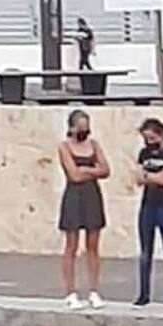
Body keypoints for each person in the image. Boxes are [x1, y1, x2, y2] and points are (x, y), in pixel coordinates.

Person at [57, 109, 109, 309]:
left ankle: (94, 291)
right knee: (71, 245)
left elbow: (106, 170)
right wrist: (93, 171)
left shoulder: (94, 145)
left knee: (93, 245)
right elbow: (74, 175)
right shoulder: (64, 147)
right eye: (80, 127)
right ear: (71, 127)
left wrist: (86, 169)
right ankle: (70, 292)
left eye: (86, 127)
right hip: (74, 196)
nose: (84, 131)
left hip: (92, 196)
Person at [134, 118, 163, 306]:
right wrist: (154, 177)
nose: (149, 142)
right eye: (146, 139)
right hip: (148, 205)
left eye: (152, 138)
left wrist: (149, 176)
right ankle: (144, 294)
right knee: (145, 250)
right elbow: (138, 178)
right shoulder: (144, 153)